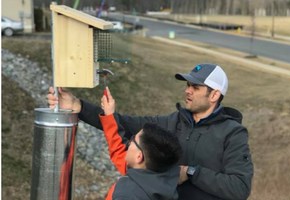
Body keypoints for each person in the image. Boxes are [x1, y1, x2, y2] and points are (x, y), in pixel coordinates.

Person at [48, 63, 254, 200]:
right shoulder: (174, 121)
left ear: (214, 95)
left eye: (195, 87)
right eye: (187, 85)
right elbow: (125, 124)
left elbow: (239, 187)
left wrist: (191, 172)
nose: (187, 90)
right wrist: (79, 107)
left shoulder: (233, 134)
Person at [99, 87, 182, 200]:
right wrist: (109, 116)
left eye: (133, 140)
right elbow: (119, 152)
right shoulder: (162, 179)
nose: (129, 143)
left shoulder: (125, 194)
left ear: (139, 157)